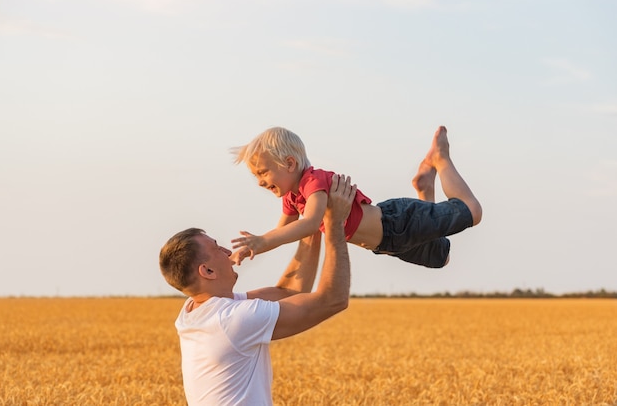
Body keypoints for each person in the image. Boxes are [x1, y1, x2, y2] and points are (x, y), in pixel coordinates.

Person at [159, 174, 356, 406]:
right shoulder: (230, 321)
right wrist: (334, 223)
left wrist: (311, 220)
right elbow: (333, 300)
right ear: (208, 272)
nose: (225, 250)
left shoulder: (195, 311)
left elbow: (288, 291)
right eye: (216, 248)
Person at [230, 125, 482, 268]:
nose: (260, 182)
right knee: (442, 258)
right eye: (256, 176)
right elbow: (282, 234)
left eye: (263, 172)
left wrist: (260, 241)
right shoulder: (293, 197)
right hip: (386, 245)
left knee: (472, 211)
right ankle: (424, 187)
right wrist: (247, 251)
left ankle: (440, 159)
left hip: (398, 222)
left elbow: (308, 224)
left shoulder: (313, 181)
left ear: (289, 163)